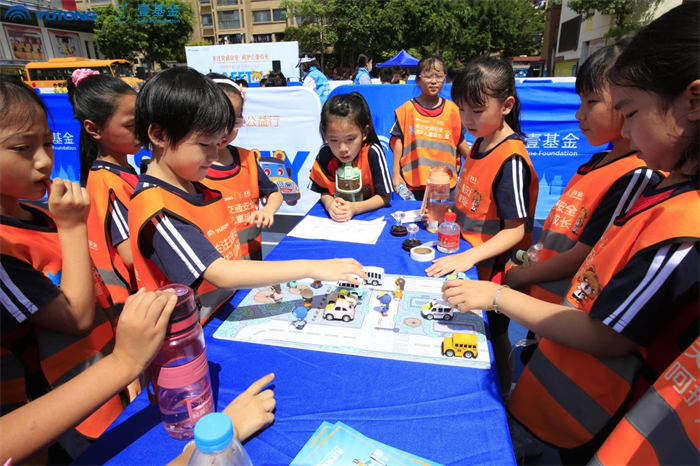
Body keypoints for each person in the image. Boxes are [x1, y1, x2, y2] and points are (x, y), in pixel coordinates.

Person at [442, 4, 700, 463]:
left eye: (631, 111)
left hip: (590, 411)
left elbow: (609, 335)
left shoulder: (682, 221)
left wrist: (500, 293)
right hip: (554, 372)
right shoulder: (659, 187)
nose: (625, 127)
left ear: (693, 102)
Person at [130, 67, 365, 324]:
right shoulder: (159, 208)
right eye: (205, 144)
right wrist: (311, 267)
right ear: (159, 135)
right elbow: (220, 272)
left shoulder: (193, 184)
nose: (213, 155)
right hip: (192, 333)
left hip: (225, 307)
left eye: (219, 142)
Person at [0, 75, 125, 458]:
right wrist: (72, 226)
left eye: (48, 143)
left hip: (101, 375)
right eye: (22, 148)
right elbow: (75, 318)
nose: (44, 160)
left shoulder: (40, 214)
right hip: (59, 410)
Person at [505, 41, 659, 306]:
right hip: (543, 302)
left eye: (592, 102)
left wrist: (521, 276)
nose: (579, 114)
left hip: (563, 314)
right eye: (580, 102)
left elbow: (582, 256)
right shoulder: (596, 163)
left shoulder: (636, 176)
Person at [426, 56, 539, 404]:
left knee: (496, 334)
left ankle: (504, 397)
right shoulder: (479, 143)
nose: (467, 120)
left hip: (492, 274)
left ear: (506, 106)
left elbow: (515, 230)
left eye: (476, 110)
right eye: (462, 110)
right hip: (467, 260)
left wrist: (468, 256)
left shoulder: (512, 159)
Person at [66, 69, 142, 308]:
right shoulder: (108, 182)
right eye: (131, 125)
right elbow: (130, 253)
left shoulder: (116, 173)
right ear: (93, 129)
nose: (142, 131)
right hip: (127, 300)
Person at [205, 73, 284, 261]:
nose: (224, 132)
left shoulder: (246, 158)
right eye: (217, 122)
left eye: (233, 123)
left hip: (252, 258)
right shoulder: (192, 169)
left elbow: (275, 192)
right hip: (217, 265)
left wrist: (268, 210)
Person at [390, 55, 470, 200]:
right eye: (428, 76)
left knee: (445, 221)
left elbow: (460, 141)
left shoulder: (453, 111)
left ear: (445, 78)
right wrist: (395, 175)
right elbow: (398, 143)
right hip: (413, 184)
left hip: (446, 184)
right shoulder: (406, 110)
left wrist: (475, 168)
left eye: (439, 76)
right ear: (418, 80)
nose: (434, 81)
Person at [309, 93, 392, 222]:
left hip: (370, 219)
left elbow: (385, 197)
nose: (342, 148)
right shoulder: (325, 154)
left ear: (364, 133)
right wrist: (330, 204)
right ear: (325, 135)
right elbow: (324, 191)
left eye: (350, 139)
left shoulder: (373, 153)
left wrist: (355, 208)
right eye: (334, 140)